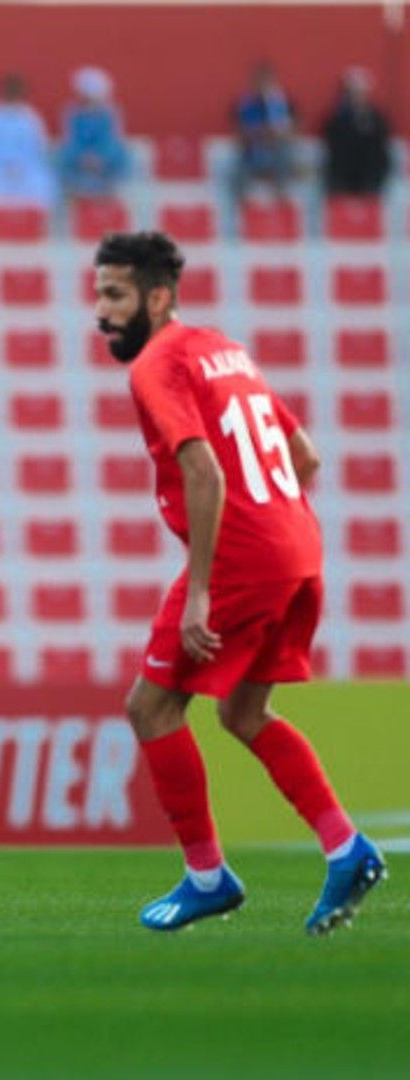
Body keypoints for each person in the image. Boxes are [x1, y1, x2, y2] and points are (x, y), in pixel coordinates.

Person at [91, 231, 385, 935]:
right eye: (99, 294)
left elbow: (204, 471)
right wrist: (275, 522)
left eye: (115, 295)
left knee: (151, 708)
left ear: (157, 299)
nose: (101, 311)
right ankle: (346, 848)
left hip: (244, 558)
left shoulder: (158, 364)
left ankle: (207, 877)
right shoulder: (223, 350)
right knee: (244, 713)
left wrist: (201, 590)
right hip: (299, 547)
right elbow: (304, 455)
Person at [0, 73, 55, 210]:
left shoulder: (30, 116)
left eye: (16, 90)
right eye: (9, 89)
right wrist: (3, 165)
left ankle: (35, 221)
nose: (12, 93)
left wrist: (21, 165)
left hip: (26, 167)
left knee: (42, 182)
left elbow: (40, 146)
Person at [57, 66, 130, 199]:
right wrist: (82, 157)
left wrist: (100, 157)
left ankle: (109, 189)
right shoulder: (72, 112)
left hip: (104, 155)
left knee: (121, 154)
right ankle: (74, 189)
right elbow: (70, 138)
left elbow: (112, 138)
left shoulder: (110, 112)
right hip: (79, 154)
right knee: (63, 155)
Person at [321, 67, 392, 198]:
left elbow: (382, 140)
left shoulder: (376, 117)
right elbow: (332, 140)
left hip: (369, 171)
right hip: (343, 171)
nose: (357, 97)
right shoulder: (337, 117)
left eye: (361, 93)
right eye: (354, 93)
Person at [233, 61, 297, 202]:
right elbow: (242, 130)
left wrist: (277, 133)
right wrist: (262, 132)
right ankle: (242, 200)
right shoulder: (246, 104)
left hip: (276, 149)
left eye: (267, 81)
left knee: (284, 150)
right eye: (260, 81)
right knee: (243, 156)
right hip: (253, 149)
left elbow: (291, 128)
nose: (263, 85)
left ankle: (281, 194)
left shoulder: (282, 103)